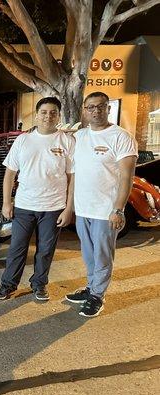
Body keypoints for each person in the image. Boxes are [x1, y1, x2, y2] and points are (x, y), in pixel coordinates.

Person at [0, 97, 75, 301]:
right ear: (37, 115)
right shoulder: (23, 140)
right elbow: (10, 173)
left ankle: (39, 285)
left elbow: (73, 177)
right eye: (44, 112)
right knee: (16, 248)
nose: (48, 116)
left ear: (58, 116)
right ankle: (8, 285)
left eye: (53, 112)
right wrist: (6, 202)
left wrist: (68, 209)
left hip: (54, 207)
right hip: (24, 205)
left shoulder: (67, 141)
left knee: (45, 250)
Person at [65, 91, 137, 317]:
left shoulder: (121, 137)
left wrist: (118, 209)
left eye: (100, 106)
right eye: (90, 107)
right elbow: (75, 173)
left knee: (103, 255)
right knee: (88, 254)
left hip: (106, 211)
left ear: (108, 109)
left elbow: (127, 177)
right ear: (84, 111)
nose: (95, 111)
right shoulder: (80, 137)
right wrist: (71, 206)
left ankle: (97, 296)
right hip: (83, 208)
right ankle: (91, 288)